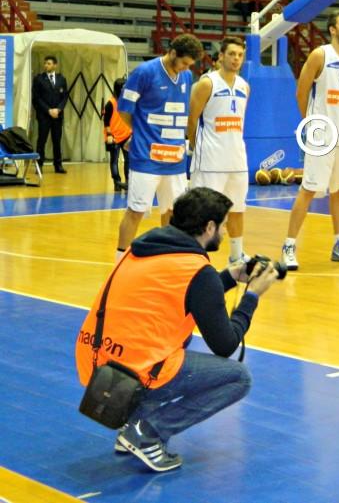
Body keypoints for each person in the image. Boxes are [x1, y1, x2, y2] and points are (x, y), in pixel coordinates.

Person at [75, 188, 278, 473]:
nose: (222, 231)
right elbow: (225, 344)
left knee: (176, 340)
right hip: (135, 371)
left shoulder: (143, 247)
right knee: (237, 378)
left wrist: (231, 277)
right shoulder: (196, 269)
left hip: (96, 364)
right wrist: (252, 296)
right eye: (221, 226)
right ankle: (146, 432)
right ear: (209, 227)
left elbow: (189, 294)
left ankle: (133, 425)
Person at [281, 12, 339, 269]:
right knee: (308, 189)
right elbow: (301, 91)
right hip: (322, 135)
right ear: (331, 29)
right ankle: (289, 246)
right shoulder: (319, 55)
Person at [115, 34, 204, 262]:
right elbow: (124, 110)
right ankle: (119, 261)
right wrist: (141, 132)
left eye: (190, 65)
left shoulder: (186, 77)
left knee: (173, 212)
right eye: (184, 62)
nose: (186, 68)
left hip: (175, 159)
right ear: (173, 53)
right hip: (147, 157)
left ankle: (167, 255)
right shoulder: (144, 73)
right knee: (135, 211)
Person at [187, 36, 250, 267]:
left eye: (240, 55)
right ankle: (195, 256)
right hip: (210, 160)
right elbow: (192, 121)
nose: (236, 59)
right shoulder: (207, 83)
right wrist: (196, 149)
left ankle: (236, 256)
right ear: (220, 56)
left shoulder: (244, 86)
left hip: (237, 159)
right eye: (232, 54)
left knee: (237, 209)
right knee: (203, 212)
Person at [32, 54, 68, 173]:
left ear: (55, 65)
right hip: (44, 116)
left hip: (57, 115)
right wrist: (48, 110)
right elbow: (37, 99)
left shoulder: (61, 79)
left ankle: (58, 165)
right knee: (42, 140)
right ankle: (39, 165)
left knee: (57, 140)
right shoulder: (39, 79)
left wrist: (58, 109)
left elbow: (65, 97)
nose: (46, 65)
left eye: (49, 63)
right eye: (45, 63)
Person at [104, 77, 132, 192]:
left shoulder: (128, 101)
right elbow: (106, 121)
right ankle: (117, 182)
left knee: (129, 160)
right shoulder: (110, 103)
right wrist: (109, 135)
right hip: (114, 137)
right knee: (114, 161)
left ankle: (128, 182)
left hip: (127, 135)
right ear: (119, 88)